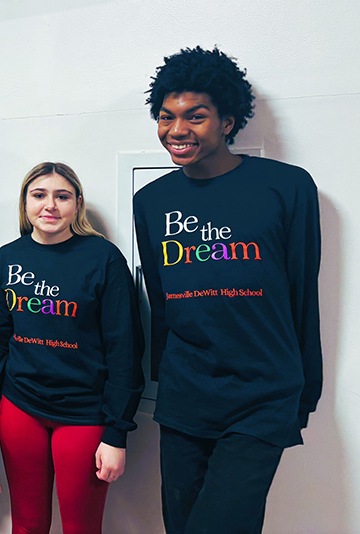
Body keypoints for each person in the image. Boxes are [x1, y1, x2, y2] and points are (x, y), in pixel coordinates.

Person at [134, 46, 322, 534]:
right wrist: (159, 377)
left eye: (195, 116)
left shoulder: (287, 187)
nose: (177, 130)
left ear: (228, 120)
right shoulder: (151, 202)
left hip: (263, 395)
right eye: (165, 116)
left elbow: (303, 293)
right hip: (184, 396)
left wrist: (306, 391)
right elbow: (161, 300)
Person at [0, 162, 144, 534]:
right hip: (19, 409)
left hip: (84, 415)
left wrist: (116, 434)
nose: (50, 205)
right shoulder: (6, 259)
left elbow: (125, 351)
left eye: (62, 196)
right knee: (27, 523)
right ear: (25, 203)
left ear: (77, 204)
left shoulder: (104, 259)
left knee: (81, 527)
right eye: (39, 195)